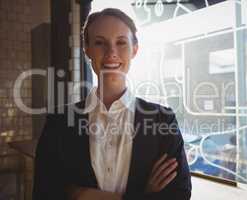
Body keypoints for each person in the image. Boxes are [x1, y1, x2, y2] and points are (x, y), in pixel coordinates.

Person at [32, 8, 191, 200]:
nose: (111, 52)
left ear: (135, 49)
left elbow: (179, 194)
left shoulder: (163, 120)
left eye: (121, 42)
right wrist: (144, 194)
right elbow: (44, 193)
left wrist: (78, 193)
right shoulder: (58, 123)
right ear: (87, 50)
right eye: (100, 43)